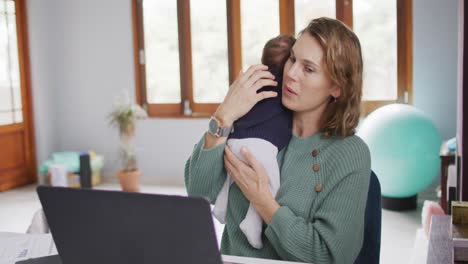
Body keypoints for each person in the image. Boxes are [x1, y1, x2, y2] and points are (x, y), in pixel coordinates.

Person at [184, 17, 371, 263]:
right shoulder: (252, 119)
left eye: (309, 68)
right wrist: (224, 114)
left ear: (337, 87)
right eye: (292, 59)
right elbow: (198, 192)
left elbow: (327, 255)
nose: (291, 73)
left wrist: (264, 203)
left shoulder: (350, 153)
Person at [212, 34, 295, 250]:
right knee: (269, 186)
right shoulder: (287, 89)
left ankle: (221, 204)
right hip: (260, 148)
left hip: (233, 141)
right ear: (289, 64)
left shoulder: (251, 85)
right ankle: (253, 221)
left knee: (232, 173)